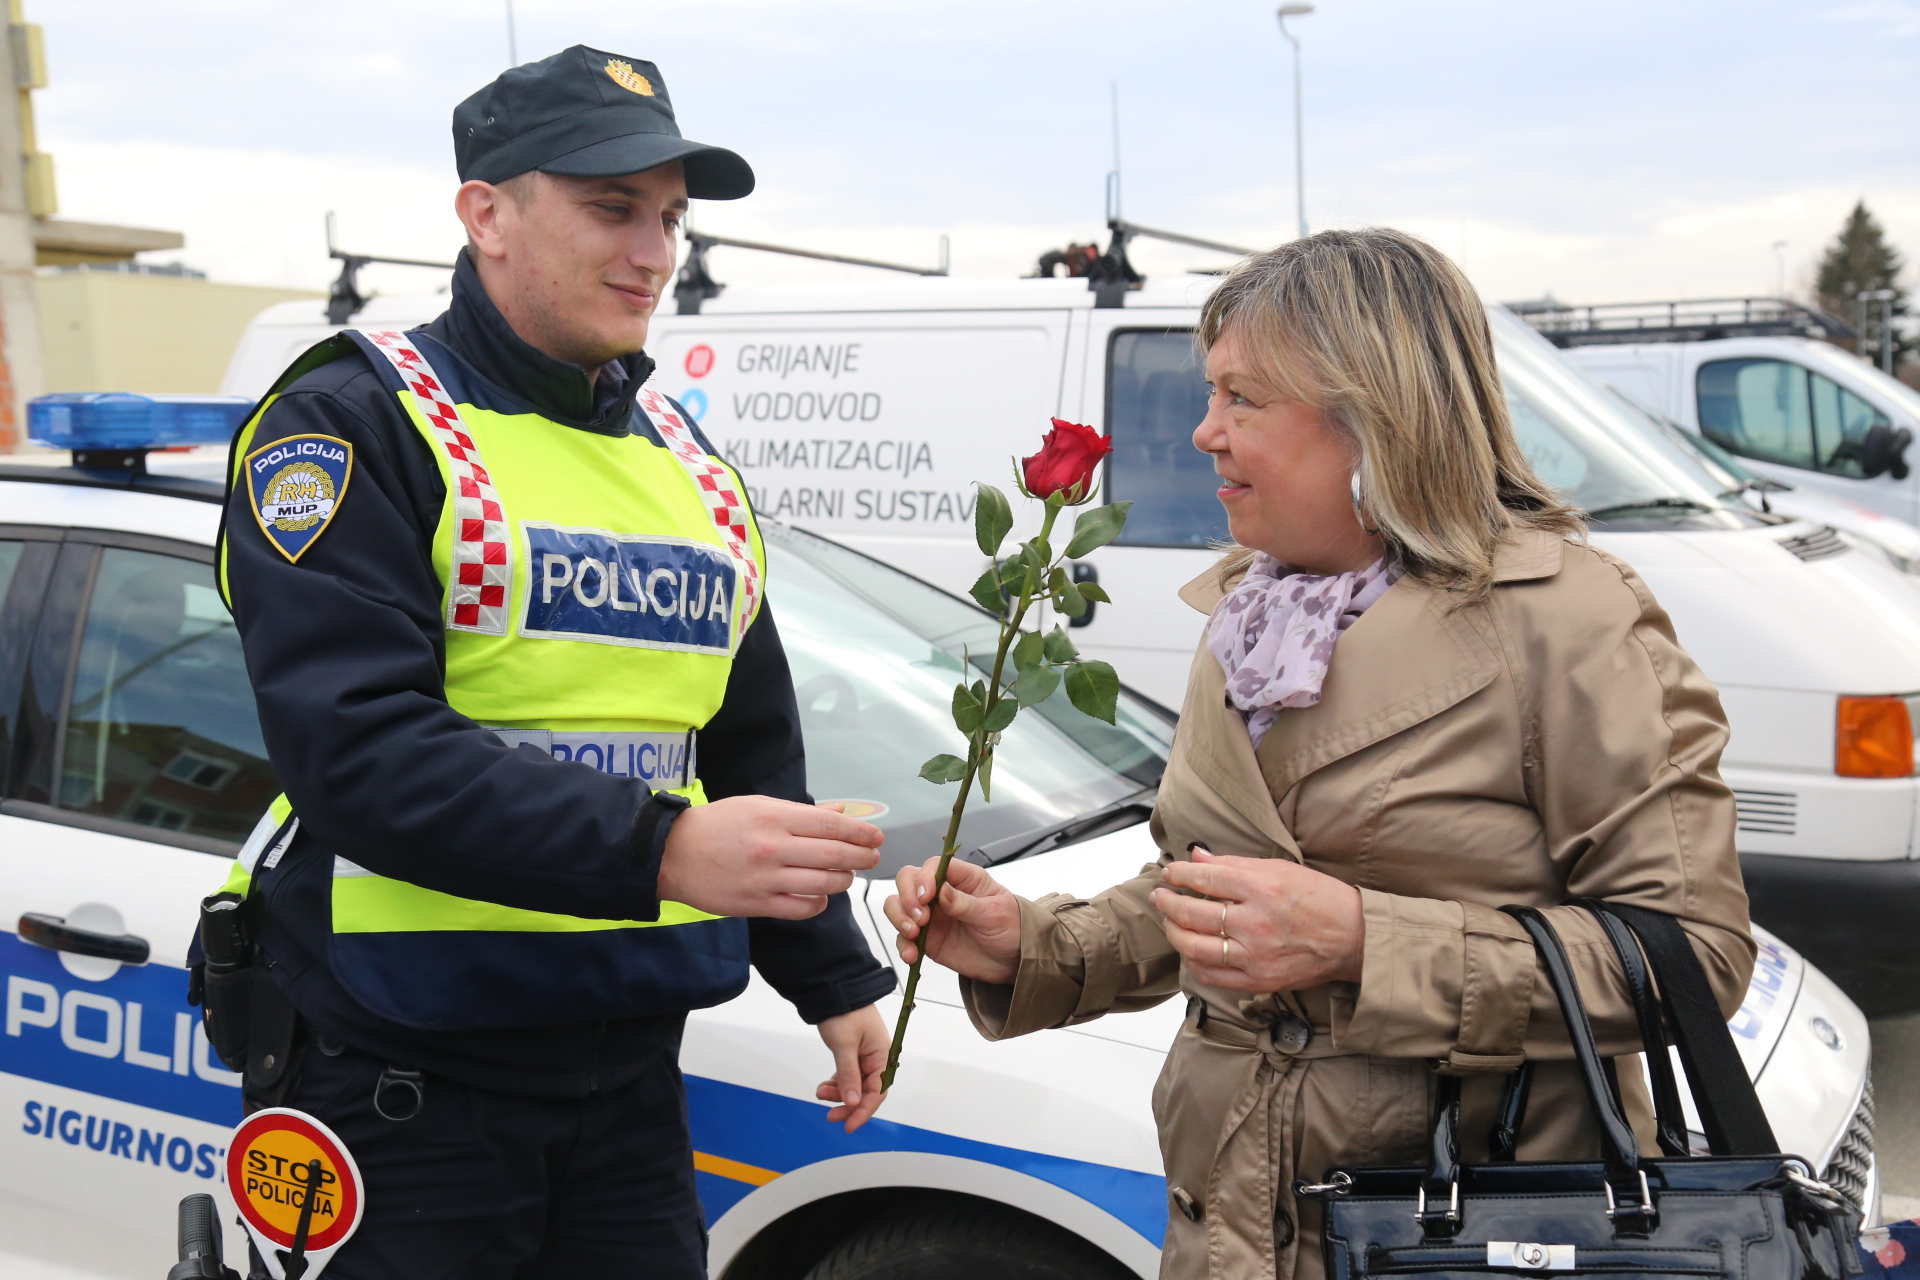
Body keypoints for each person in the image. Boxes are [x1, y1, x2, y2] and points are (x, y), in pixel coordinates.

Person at [885, 228, 1756, 1280]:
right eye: (1210, 396)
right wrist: (1033, 947)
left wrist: (1360, 940)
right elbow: (1204, 889)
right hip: (1238, 1227)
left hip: (1463, 1232)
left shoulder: (1570, 620)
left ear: (1375, 413)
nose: (1202, 432)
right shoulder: (1254, 614)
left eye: (1242, 399)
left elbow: (1692, 955)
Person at [208, 46, 896, 1279]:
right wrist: (664, 847)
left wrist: (830, 971)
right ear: (487, 215)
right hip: (400, 1075)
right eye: (610, 206)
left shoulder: (687, 463)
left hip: (627, 1068)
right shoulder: (354, 423)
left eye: (671, 218)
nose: (653, 252)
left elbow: (749, 749)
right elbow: (357, 752)